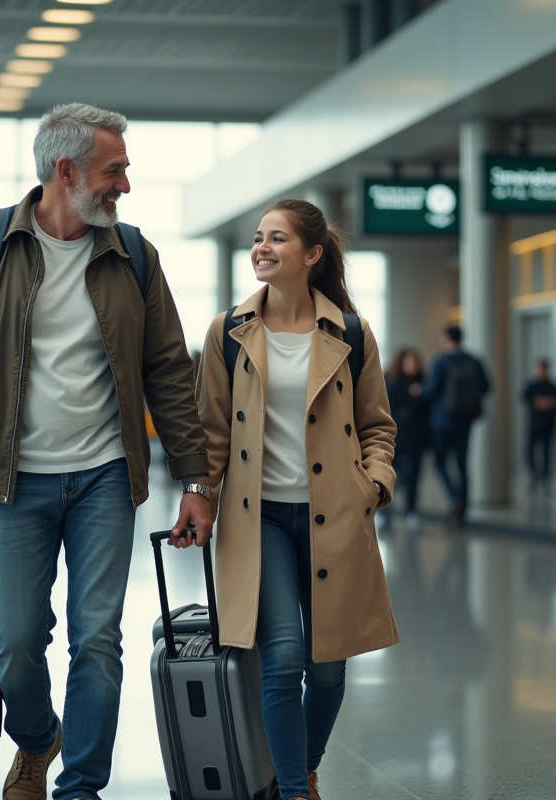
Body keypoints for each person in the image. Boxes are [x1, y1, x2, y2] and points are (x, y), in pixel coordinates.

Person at [0, 103, 211, 800]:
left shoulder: (134, 254)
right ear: (66, 170)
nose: (125, 186)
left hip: (104, 475)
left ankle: (80, 789)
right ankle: (38, 737)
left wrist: (196, 479)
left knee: (97, 640)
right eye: (115, 170)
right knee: (13, 644)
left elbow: (167, 371)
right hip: (11, 481)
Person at [190, 198, 399, 800]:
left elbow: (378, 425)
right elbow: (211, 433)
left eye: (277, 239)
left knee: (327, 666)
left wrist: (374, 483)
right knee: (281, 659)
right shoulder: (228, 331)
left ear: (311, 255)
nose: (262, 248)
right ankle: (291, 790)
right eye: (259, 238)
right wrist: (199, 496)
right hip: (259, 519)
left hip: (334, 514)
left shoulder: (351, 333)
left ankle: (304, 765)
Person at [425, 325, 490, 527]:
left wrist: (419, 390)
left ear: (446, 339)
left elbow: (431, 390)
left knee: (440, 462)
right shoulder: (474, 361)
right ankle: (463, 513)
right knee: (462, 464)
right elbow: (487, 386)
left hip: (443, 421)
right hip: (466, 420)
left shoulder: (440, 361)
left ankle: (454, 498)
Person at [386, 347, 430, 522]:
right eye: (409, 362)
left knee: (413, 476)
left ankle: (411, 511)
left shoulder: (424, 384)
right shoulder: (392, 383)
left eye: (415, 362)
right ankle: (385, 511)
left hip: (415, 439)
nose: (412, 365)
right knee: (390, 476)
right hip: (395, 438)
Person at [521, 358, 556, 491]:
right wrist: (540, 403)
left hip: (549, 424)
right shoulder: (531, 386)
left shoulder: (553, 387)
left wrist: (548, 404)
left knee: (546, 452)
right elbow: (525, 399)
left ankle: (546, 478)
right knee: (529, 451)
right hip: (534, 424)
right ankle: (534, 475)